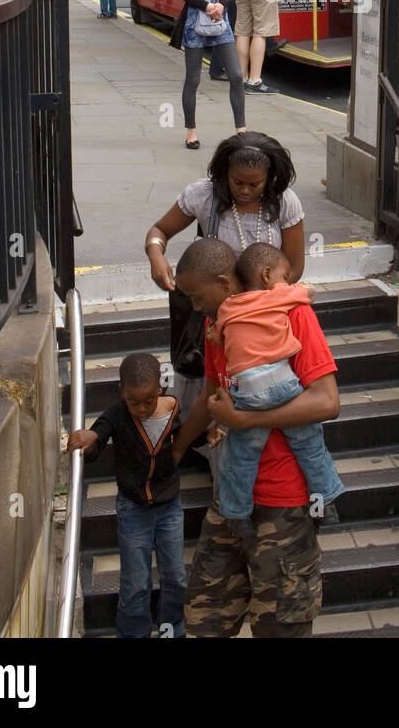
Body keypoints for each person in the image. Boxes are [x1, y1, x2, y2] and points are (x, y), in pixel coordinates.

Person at [172, 238, 340, 638]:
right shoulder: (219, 326)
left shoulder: (291, 314)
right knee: (204, 620)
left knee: (280, 628)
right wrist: (175, 449)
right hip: (232, 497)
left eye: (197, 297)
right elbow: (212, 393)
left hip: (284, 506)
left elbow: (327, 403)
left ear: (223, 283)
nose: (194, 307)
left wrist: (243, 420)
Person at [144, 132, 306, 422]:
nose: (244, 190)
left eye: (254, 184)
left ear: (270, 178)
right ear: (224, 174)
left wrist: (262, 302)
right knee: (213, 388)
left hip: (269, 320)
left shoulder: (285, 202)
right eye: (237, 182)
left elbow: (294, 267)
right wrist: (156, 255)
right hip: (216, 322)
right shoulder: (203, 195)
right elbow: (159, 231)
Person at [209, 242, 343, 534]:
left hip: (248, 392)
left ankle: (236, 514)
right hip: (283, 387)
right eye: (285, 276)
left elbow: (217, 335)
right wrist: (301, 292)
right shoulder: (281, 297)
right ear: (267, 275)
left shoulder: (227, 307)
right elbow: (307, 294)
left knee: (240, 457)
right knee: (310, 445)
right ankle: (327, 498)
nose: (287, 282)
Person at [67, 352, 186, 639]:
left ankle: (172, 629)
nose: (143, 408)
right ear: (122, 392)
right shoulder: (118, 414)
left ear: (161, 388)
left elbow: (186, 436)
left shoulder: (173, 410)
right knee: (135, 583)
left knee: (176, 577)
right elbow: (99, 435)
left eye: (149, 400)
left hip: (169, 507)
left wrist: (209, 434)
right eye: (134, 402)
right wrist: (90, 439)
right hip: (134, 510)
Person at [170, 0, 245, 147]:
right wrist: (205, 5)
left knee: (236, 74)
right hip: (195, 22)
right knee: (192, 79)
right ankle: (191, 131)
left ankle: (241, 129)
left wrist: (221, 4)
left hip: (219, 21)